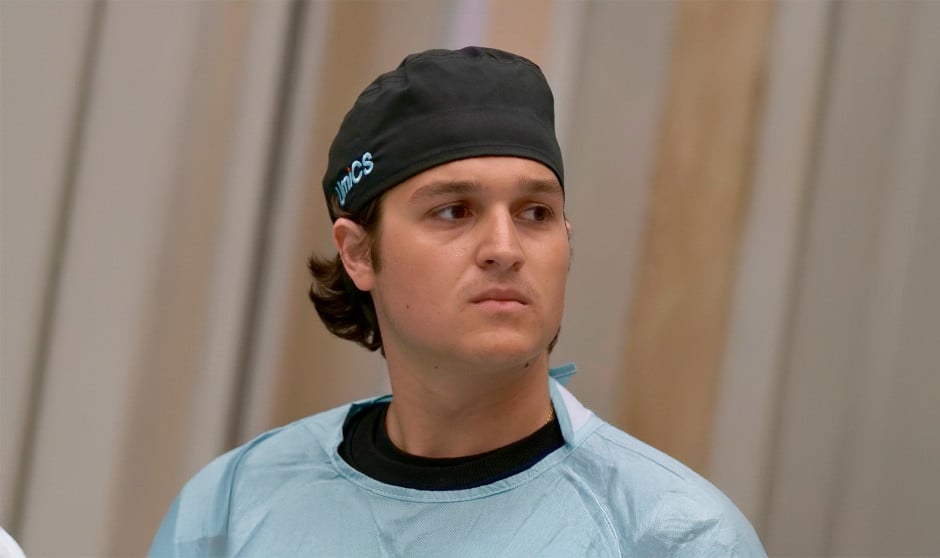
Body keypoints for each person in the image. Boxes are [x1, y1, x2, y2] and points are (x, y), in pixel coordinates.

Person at [150, 46, 766, 557]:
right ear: (358, 253)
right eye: (453, 211)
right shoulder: (230, 509)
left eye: (535, 212)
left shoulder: (673, 537)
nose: (505, 248)